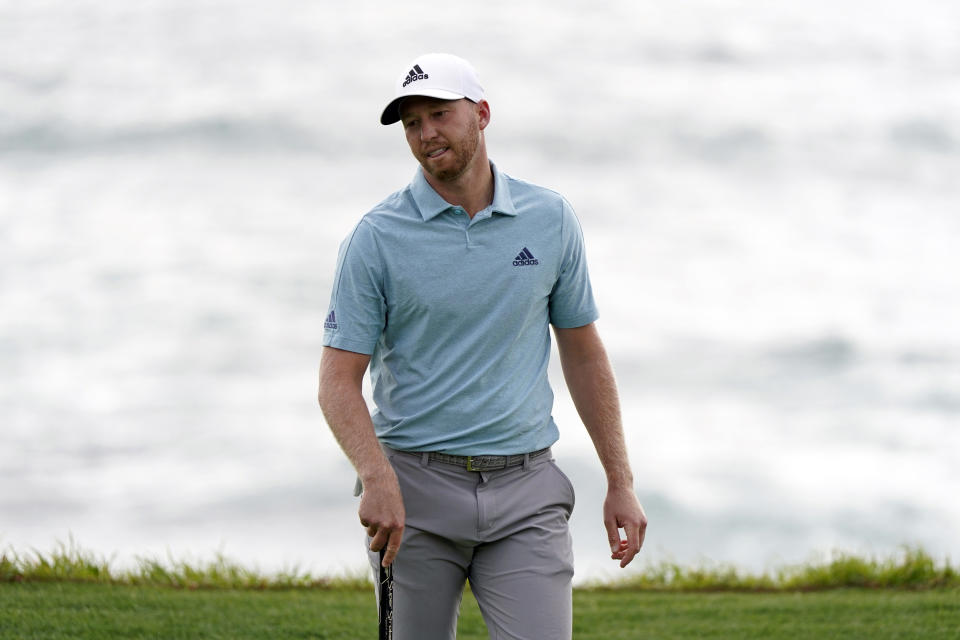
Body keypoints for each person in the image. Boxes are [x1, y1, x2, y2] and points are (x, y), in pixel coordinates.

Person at [317, 52, 647, 640]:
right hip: (413, 495)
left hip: (527, 492)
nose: (426, 134)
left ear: (482, 114)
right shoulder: (375, 239)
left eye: (439, 114)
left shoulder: (549, 219)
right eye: (412, 124)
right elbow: (336, 381)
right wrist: (376, 477)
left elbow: (583, 351)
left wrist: (619, 481)